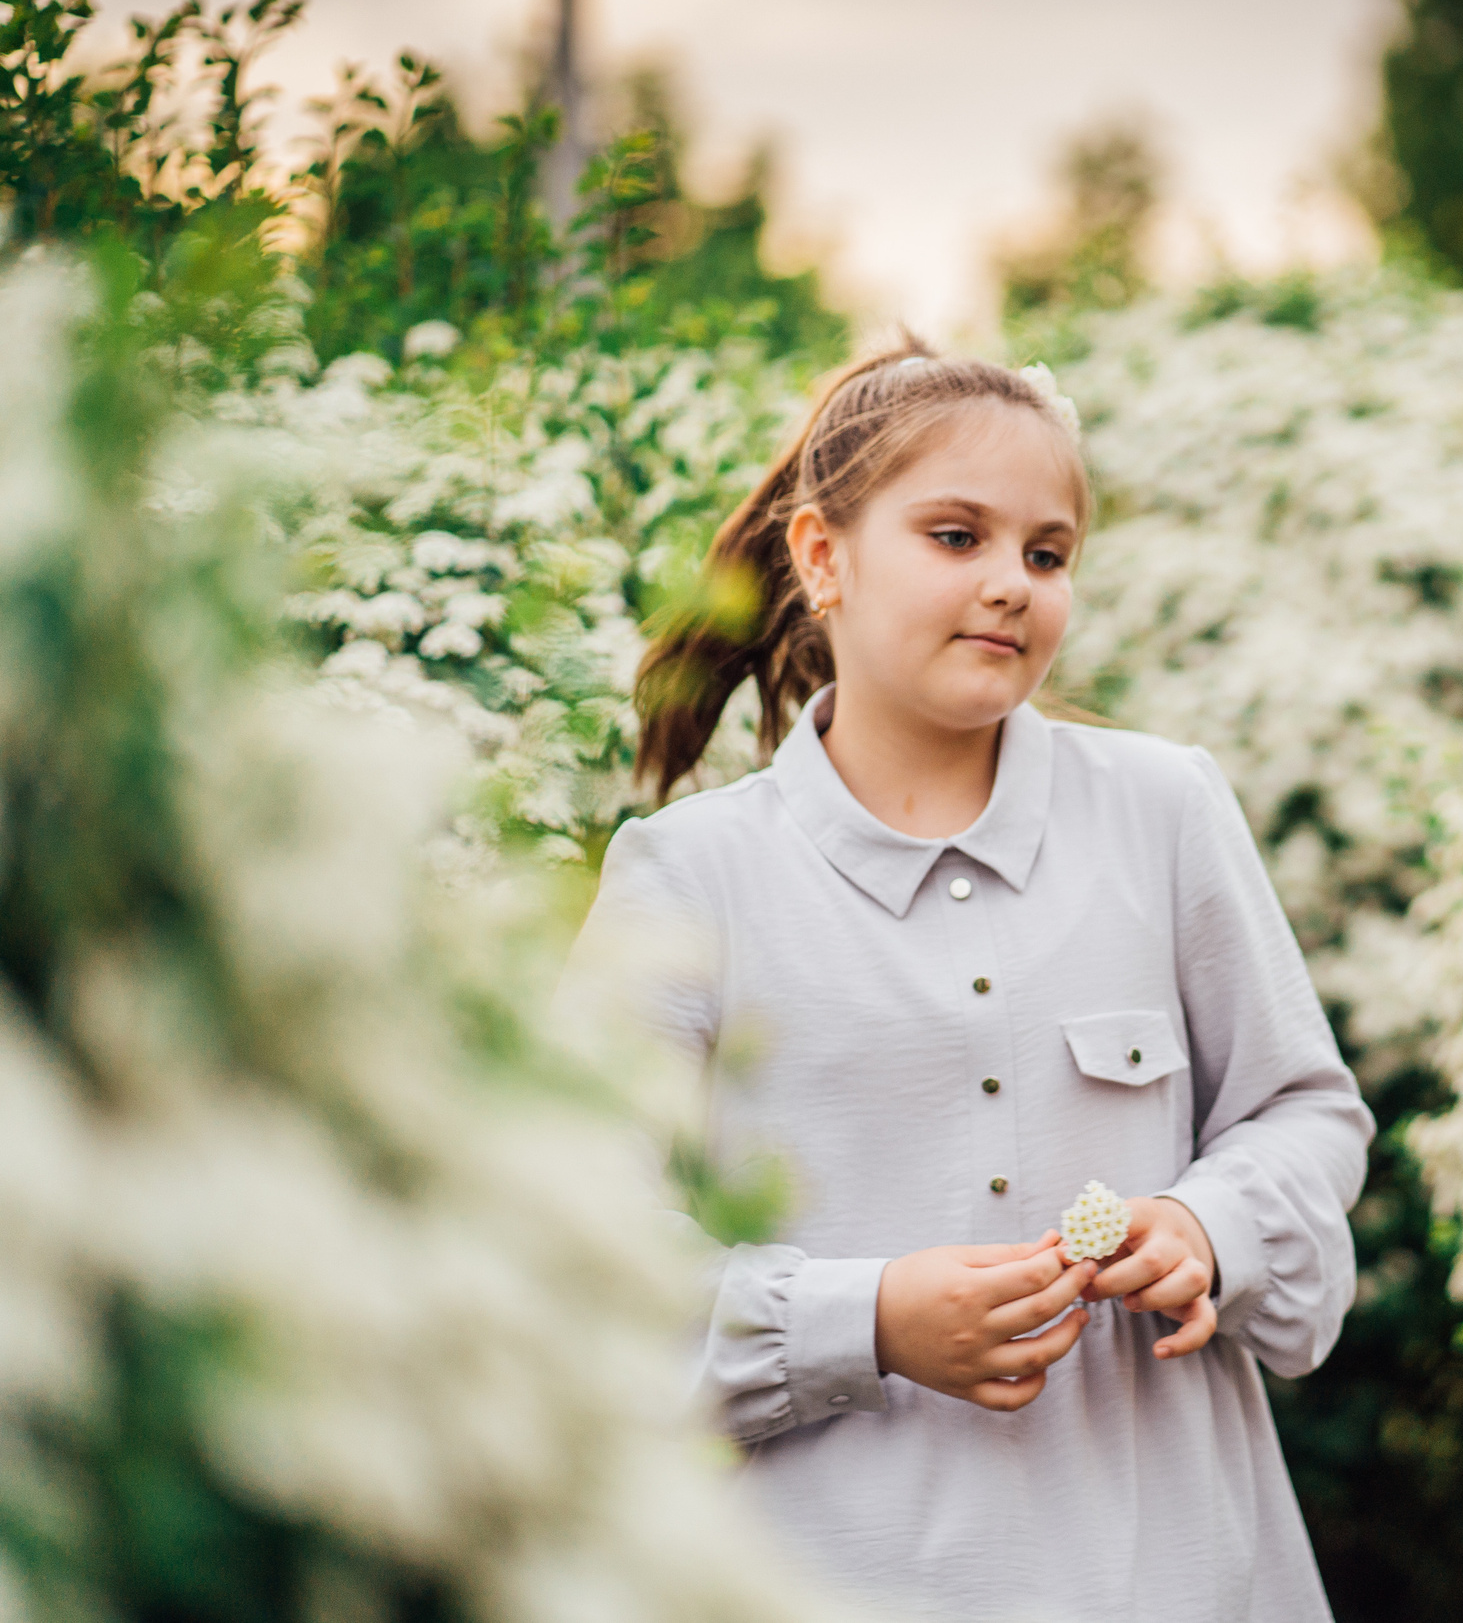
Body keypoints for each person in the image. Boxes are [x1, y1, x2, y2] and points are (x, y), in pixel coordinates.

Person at [569, 342, 1373, 1622]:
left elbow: (1306, 1115)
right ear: (822, 557)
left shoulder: (1167, 811)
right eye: (957, 536)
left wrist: (1207, 1229)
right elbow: (575, 1262)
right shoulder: (686, 878)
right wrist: (867, 1319)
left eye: (1046, 555)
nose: (1010, 585)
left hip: (1175, 1571)